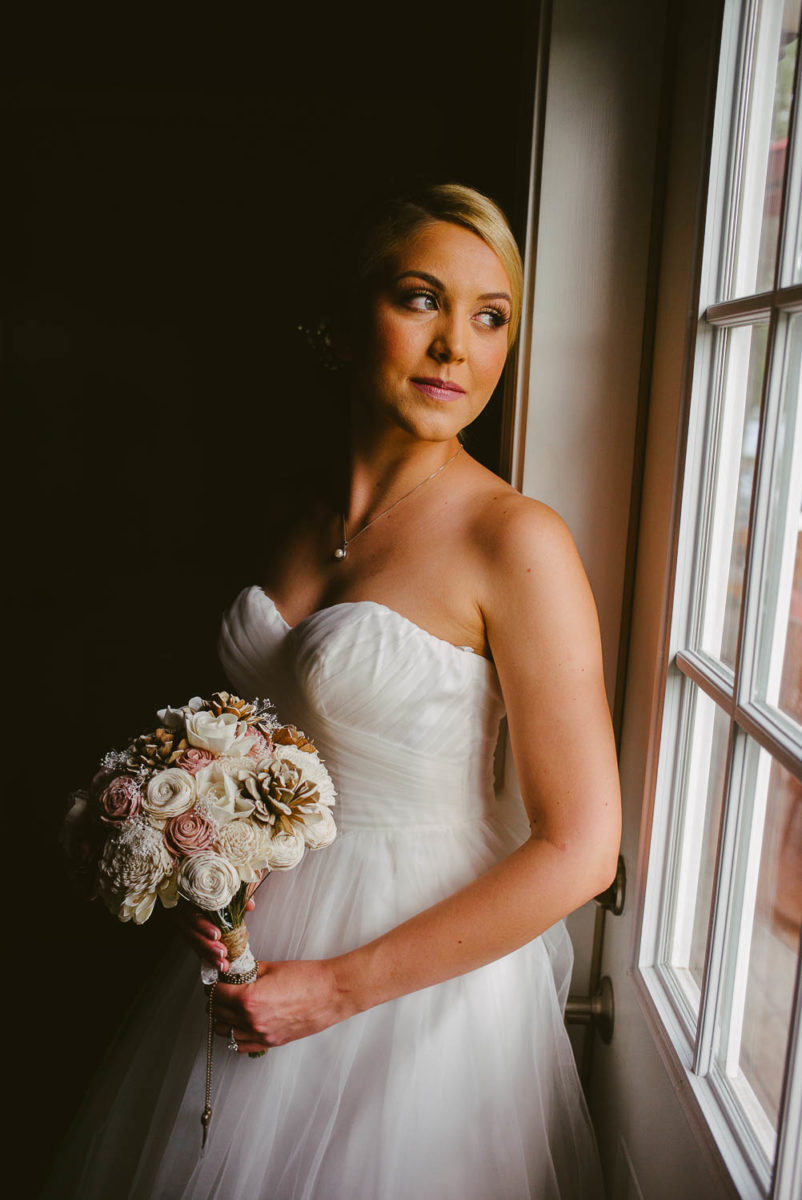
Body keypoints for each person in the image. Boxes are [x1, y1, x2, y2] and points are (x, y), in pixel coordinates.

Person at [45, 183, 620, 1199]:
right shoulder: (296, 518)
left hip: (413, 978)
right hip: (258, 947)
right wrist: (203, 856)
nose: (456, 346)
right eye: (420, 299)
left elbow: (581, 851)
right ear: (344, 316)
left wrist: (334, 992)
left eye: (490, 317)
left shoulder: (514, 540)